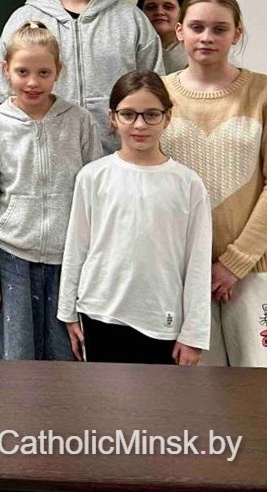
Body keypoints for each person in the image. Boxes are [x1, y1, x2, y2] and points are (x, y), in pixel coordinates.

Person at [0, 21, 103, 361]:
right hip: (13, 257)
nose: (32, 82)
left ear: (59, 71)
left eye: (44, 72)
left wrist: (93, 258)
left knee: (65, 354)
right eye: (22, 72)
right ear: (6, 70)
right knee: (17, 356)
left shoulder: (79, 122)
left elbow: (96, 196)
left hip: (69, 258)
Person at [58, 71, 211, 365]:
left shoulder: (188, 184)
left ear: (167, 117)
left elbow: (198, 263)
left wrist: (193, 334)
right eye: (128, 114)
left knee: (158, 396)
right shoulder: (92, 176)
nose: (140, 125)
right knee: (102, 395)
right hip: (99, 314)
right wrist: (68, 312)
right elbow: (76, 247)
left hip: (160, 320)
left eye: (151, 114)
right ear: (112, 118)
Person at [162, 0, 267, 368]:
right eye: (197, 27)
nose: (207, 37)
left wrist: (234, 263)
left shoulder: (263, 93)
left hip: (254, 270)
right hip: (180, 272)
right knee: (197, 391)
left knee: (259, 385)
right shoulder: (158, 95)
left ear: (237, 33)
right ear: (179, 30)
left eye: (219, 28)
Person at [0, 0, 163, 151]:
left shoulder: (131, 20)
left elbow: (155, 88)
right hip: (45, 155)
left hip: (118, 156)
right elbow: (5, 94)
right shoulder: (22, 20)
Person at [138, 0, 189, 74]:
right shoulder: (133, 50)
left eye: (168, 7)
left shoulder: (195, 49)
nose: (159, 12)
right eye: (151, 7)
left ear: (183, 12)